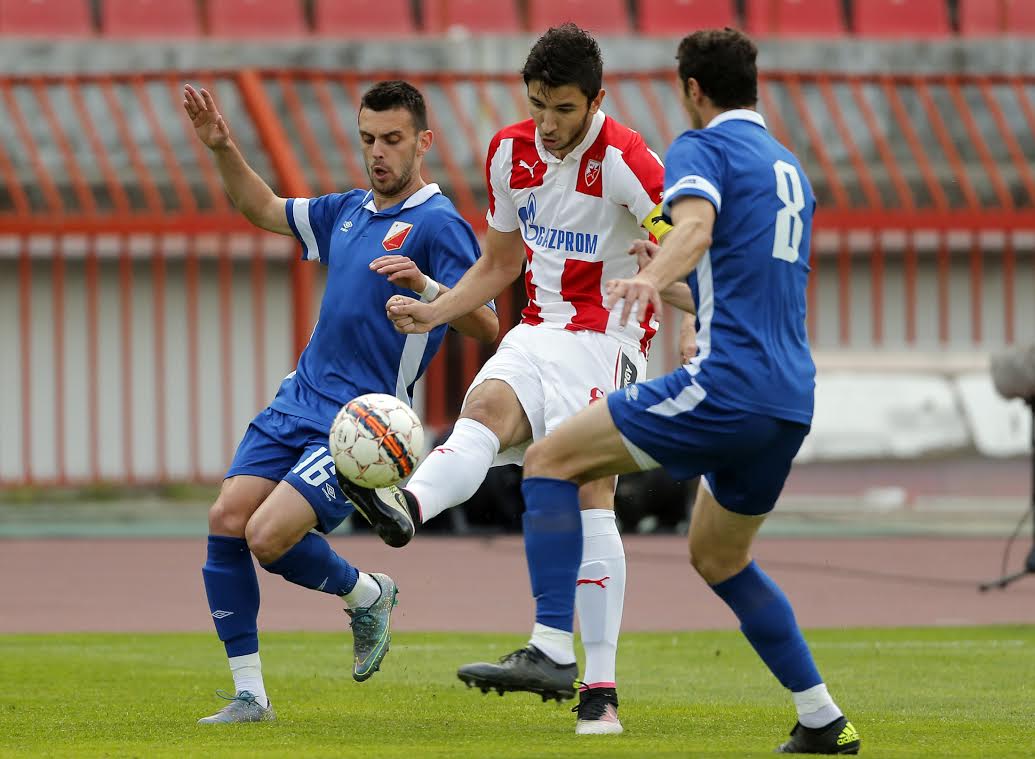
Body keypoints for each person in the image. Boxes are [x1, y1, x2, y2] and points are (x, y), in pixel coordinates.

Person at [442, 29, 861, 754]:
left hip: (725, 385)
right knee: (718, 557)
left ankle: (552, 648)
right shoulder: (788, 167)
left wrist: (651, 274)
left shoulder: (702, 147)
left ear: (691, 89)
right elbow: (740, 275)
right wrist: (674, 270)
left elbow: (692, 224)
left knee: (548, 459)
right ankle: (822, 716)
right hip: (790, 396)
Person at [339, 24, 694, 736]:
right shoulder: (510, 152)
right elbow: (500, 262)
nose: (549, 124)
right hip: (537, 329)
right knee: (483, 409)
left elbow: (686, 231)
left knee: (592, 492)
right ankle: (406, 505)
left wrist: (668, 283)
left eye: (564, 109)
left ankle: (598, 690)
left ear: (597, 99)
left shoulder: (627, 160)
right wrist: (436, 307)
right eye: (537, 106)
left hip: (607, 338)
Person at [182, 80, 498, 724]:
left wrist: (428, 288)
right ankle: (251, 696)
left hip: (360, 424)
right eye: (367, 140)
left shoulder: (439, 225)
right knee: (226, 519)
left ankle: (367, 595)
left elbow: (488, 324)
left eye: (391, 140)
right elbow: (266, 208)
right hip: (297, 400)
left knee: (268, 537)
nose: (377, 153)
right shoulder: (348, 210)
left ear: (423, 143)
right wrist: (222, 148)